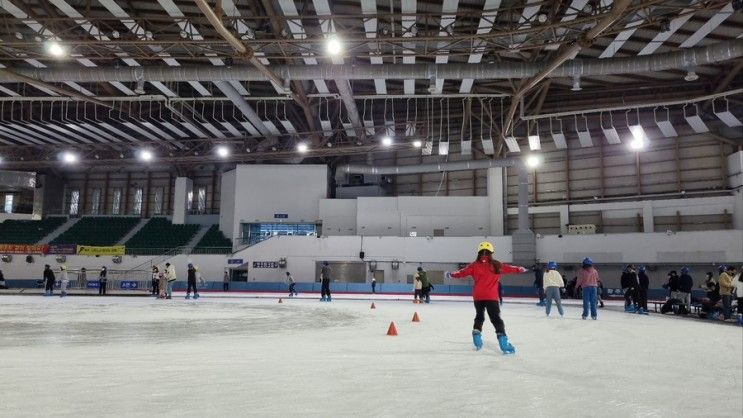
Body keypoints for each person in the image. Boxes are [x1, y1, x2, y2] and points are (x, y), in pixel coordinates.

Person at [446, 241, 528, 354]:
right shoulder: (496, 265)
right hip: (491, 296)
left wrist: (450, 274)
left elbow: (461, 272)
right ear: (491, 253)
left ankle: (477, 337)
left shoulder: (474, 265)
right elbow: (510, 268)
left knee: (479, 317)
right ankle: (504, 344)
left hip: (478, 296)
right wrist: (520, 269)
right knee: (496, 319)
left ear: (479, 252)